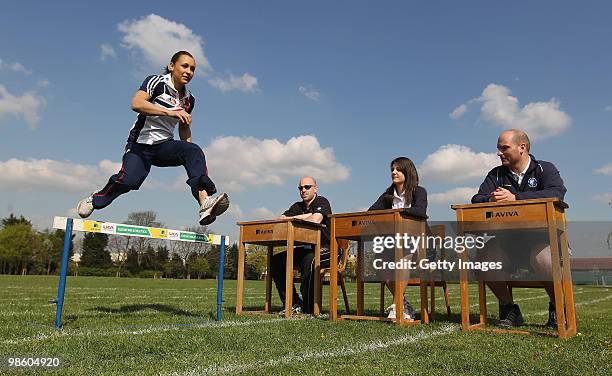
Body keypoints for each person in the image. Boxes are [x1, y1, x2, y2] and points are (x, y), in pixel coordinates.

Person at [75, 51, 229, 225]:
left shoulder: (189, 99)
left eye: (193, 69)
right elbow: (137, 103)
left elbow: (184, 128)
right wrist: (170, 111)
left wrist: (189, 157)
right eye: (184, 66)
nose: (189, 72)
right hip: (140, 145)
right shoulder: (156, 82)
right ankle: (96, 199)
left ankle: (204, 202)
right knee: (129, 181)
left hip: (164, 147)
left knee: (194, 150)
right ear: (172, 66)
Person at [472, 128, 567, 328]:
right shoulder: (496, 174)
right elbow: (476, 199)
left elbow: (557, 193)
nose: (499, 153)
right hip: (509, 243)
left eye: (504, 148)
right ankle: (509, 309)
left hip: (542, 240)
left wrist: (516, 198)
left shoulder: (545, 169)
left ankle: (558, 307)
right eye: (498, 148)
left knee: (543, 259)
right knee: (483, 259)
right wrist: (492, 198)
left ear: (522, 147)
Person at [369, 157, 427, 320]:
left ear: (408, 172)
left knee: (402, 255)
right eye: (392, 170)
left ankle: (397, 306)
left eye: (398, 169)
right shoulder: (388, 195)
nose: (394, 172)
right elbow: (372, 211)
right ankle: (402, 304)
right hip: (393, 244)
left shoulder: (419, 191)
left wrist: (398, 213)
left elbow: (420, 211)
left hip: (420, 244)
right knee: (380, 261)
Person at [270, 176, 332, 315]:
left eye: (307, 187)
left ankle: (309, 307)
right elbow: (280, 220)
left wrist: (296, 218)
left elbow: (316, 220)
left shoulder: (322, 201)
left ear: (315, 188)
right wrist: (303, 216)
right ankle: (293, 303)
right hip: (305, 249)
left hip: (327, 249)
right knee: (276, 261)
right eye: (300, 188)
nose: (303, 190)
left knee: (309, 260)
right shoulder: (297, 207)